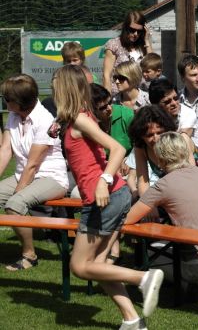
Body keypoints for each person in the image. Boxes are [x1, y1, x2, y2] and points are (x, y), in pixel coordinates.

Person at [52, 65, 163, 330]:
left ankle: (144, 278)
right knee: (98, 265)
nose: (53, 90)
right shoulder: (77, 118)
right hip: (113, 196)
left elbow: (117, 148)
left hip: (104, 198)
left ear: (66, 89)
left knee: (80, 266)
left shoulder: (81, 119)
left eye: (56, 85)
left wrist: (104, 180)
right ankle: (132, 320)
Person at [125, 132, 198, 288]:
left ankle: (186, 286)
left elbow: (127, 219)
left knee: (152, 253)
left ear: (160, 158)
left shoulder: (163, 185)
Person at [0, 74, 69, 270]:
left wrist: (18, 193)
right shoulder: (13, 116)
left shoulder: (45, 119)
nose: (4, 101)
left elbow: (32, 164)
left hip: (51, 178)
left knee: (15, 204)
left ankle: (29, 256)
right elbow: (5, 150)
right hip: (23, 174)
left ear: (20, 101)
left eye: (7, 98)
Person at [125, 105, 178, 200]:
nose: (156, 138)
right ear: (141, 136)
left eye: (160, 132)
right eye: (149, 135)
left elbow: (191, 178)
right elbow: (143, 182)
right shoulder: (141, 148)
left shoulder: (180, 141)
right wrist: (148, 204)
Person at [103, 11, 153, 94]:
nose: (135, 34)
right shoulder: (114, 44)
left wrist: (147, 40)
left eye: (139, 31)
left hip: (141, 95)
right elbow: (106, 75)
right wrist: (107, 98)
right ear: (126, 27)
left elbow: (152, 65)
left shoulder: (144, 46)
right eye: (132, 30)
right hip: (119, 95)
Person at [148, 78, 197, 148]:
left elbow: (180, 144)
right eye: (167, 102)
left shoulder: (188, 114)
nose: (174, 103)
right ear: (156, 106)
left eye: (176, 98)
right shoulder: (150, 115)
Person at [91, 84, 134, 156]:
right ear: (92, 110)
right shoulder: (88, 123)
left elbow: (141, 146)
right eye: (103, 108)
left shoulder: (127, 115)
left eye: (110, 102)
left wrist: (129, 160)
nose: (109, 108)